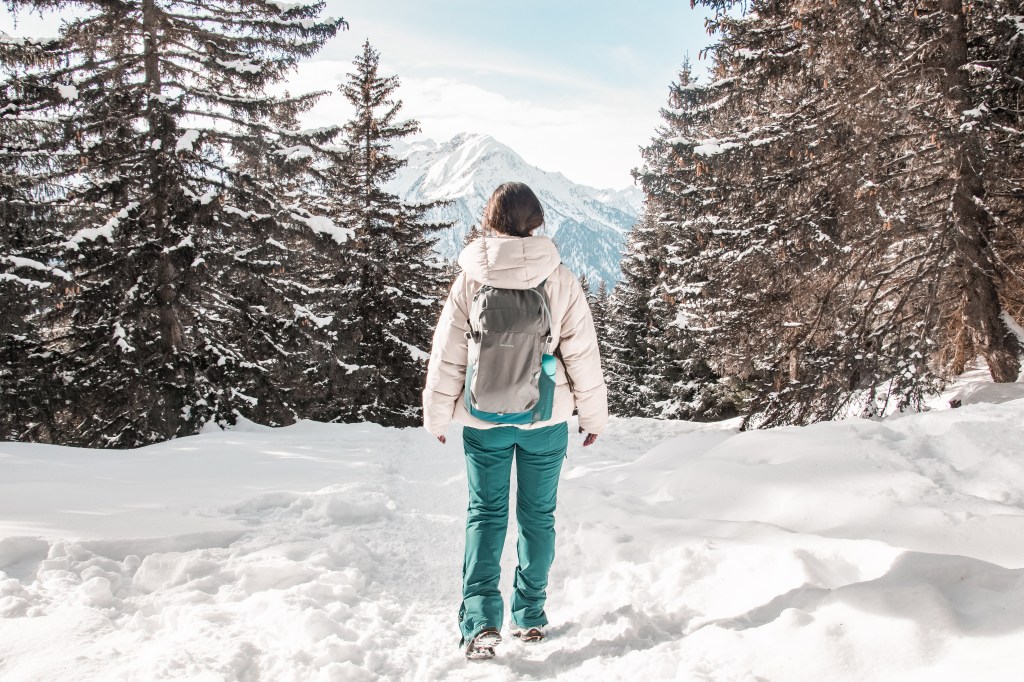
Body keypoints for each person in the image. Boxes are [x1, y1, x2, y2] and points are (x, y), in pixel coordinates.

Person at [422, 181, 608, 660]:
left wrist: (438, 414)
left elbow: (448, 353)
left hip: (484, 421)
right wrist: (592, 417)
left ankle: (481, 620)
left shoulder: (471, 278)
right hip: (544, 419)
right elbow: (582, 354)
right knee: (537, 518)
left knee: (485, 514)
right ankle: (529, 616)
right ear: (536, 221)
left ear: (491, 220)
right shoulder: (560, 278)